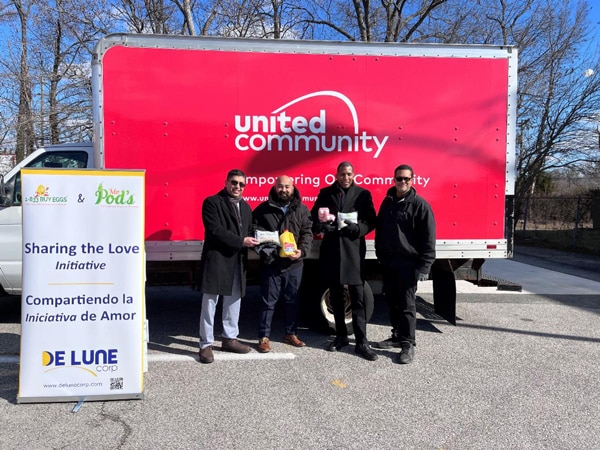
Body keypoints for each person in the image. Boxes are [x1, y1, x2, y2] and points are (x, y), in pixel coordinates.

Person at [311, 161, 378, 361]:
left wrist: (358, 230)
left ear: (354, 174)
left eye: (349, 174)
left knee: (357, 299)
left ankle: (361, 342)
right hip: (332, 252)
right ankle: (341, 337)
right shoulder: (325, 193)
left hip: (354, 252)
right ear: (337, 175)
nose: (346, 177)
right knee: (337, 298)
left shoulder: (363, 194)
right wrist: (322, 226)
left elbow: (371, 221)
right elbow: (315, 218)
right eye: (342, 174)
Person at [375, 164, 436, 364]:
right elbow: (380, 231)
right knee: (392, 302)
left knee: (407, 305)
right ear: (394, 179)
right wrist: (380, 254)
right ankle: (396, 336)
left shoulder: (420, 205)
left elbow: (429, 240)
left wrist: (424, 267)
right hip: (390, 263)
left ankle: (408, 344)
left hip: (408, 264)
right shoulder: (388, 202)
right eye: (399, 179)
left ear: (413, 180)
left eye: (406, 179)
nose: (402, 182)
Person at [198, 169, 259, 364]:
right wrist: (242, 241)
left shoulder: (246, 207)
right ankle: (205, 344)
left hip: (237, 260)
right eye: (234, 182)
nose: (237, 187)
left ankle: (229, 338)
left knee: (234, 300)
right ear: (226, 182)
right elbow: (215, 231)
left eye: (241, 184)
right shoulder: (212, 202)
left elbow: (251, 230)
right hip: (217, 258)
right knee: (210, 303)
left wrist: (264, 240)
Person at [252, 176, 313, 353]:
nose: (283, 190)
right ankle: (264, 337)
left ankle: (290, 333)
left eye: (287, 186)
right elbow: (254, 230)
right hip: (271, 263)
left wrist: (302, 251)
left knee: (292, 300)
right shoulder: (264, 209)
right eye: (280, 186)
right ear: (275, 187)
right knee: (267, 301)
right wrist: (265, 250)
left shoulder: (302, 209)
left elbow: (307, 232)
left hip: (294, 263)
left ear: (293, 188)